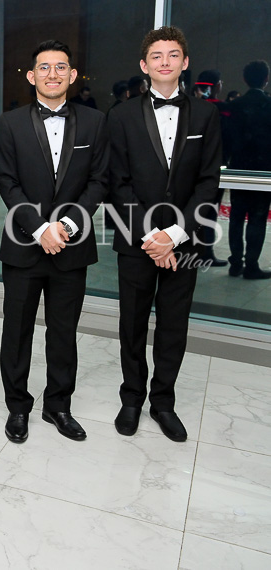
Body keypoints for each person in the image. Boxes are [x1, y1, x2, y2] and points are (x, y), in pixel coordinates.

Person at [108, 26, 221, 442]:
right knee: (132, 323)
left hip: (184, 240)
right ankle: (132, 398)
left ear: (185, 62)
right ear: (144, 65)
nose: (165, 62)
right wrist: (151, 236)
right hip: (137, 239)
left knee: (174, 324)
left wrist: (174, 234)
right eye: (157, 56)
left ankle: (163, 402)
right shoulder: (120, 115)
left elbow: (208, 182)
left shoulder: (207, 115)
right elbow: (117, 182)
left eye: (173, 55)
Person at [0, 40, 109, 443]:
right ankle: (17, 407)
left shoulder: (95, 122)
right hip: (23, 245)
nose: (52, 74)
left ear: (72, 75)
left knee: (63, 332)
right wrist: (41, 228)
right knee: (17, 331)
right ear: (31, 76)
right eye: (44, 67)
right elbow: (7, 181)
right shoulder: (9, 123)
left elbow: (99, 181)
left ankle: (58, 405)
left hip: (71, 247)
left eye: (61, 67)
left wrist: (68, 226)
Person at [227, 60, 271, 279]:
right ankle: (251, 264)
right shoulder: (269, 105)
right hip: (263, 168)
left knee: (236, 215)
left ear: (244, 79)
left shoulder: (234, 106)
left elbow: (227, 138)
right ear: (266, 79)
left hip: (237, 166)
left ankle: (236, 263)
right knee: (257, 217)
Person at [193, 69, 230, 267]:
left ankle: (190, 250)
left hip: (191, 167)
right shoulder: (223, 109)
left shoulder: (189, 107)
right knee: (210, 210)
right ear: (217, 86)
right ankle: (206, 252)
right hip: (216, 165)